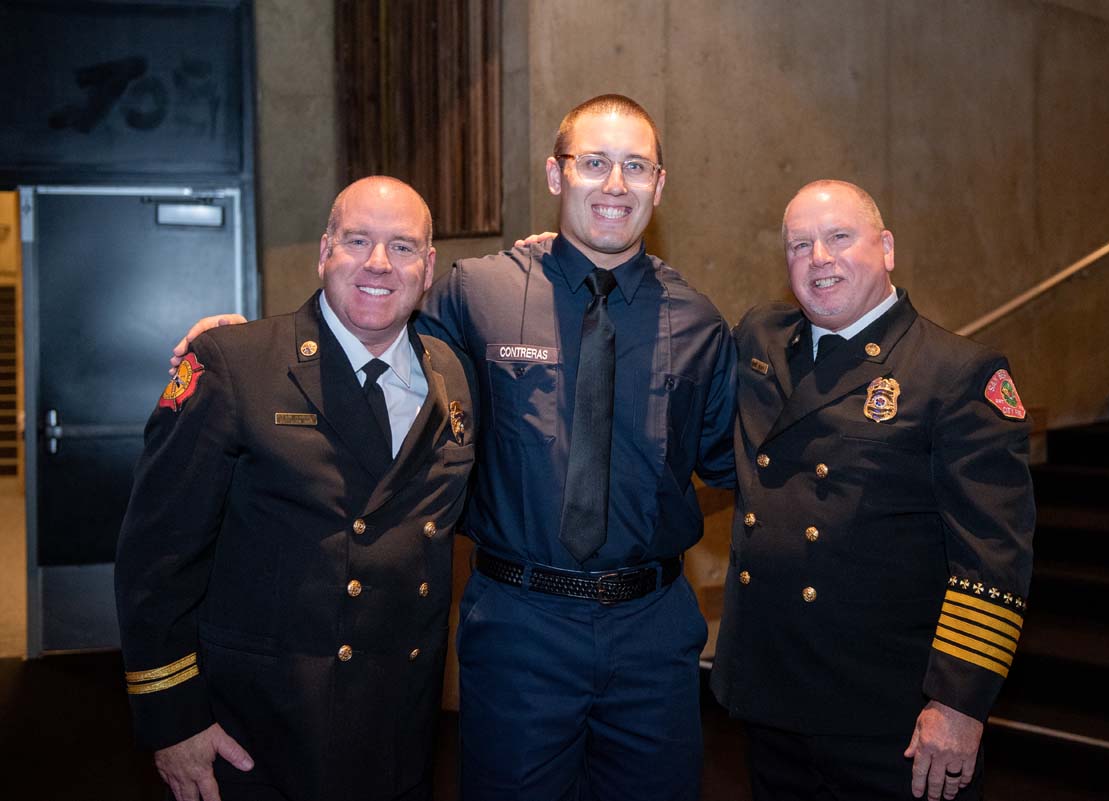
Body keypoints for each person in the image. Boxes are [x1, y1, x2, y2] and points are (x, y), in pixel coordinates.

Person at [168, 95, 736, 801]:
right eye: (593, 162)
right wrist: (250, 344)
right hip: (519, 625)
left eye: (634, 166)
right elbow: (369, 320)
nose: (614, 183)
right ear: (558, 176)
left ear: (660, 183)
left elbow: (720, 465)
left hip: (652, 631)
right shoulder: (479, 291)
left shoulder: (701, 322)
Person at [116, 176, 477, 801]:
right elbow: (156, 558)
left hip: (400, 729)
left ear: (429, 267)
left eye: (402, 247)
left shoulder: (451, 373)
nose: (378, 264)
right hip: (264, 733)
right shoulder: (236, 364)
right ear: (324, 251)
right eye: (358, 240)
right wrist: (173, 720)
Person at [711, 179, 1035, 801]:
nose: (819, 258)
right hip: (772, 699)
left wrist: (959, 705)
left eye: (839, 237)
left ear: (886, 248)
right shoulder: (760, 339)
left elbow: (995, 557)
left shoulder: (956, 373)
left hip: (891, 717)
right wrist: (573, 254)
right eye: (799, 245)